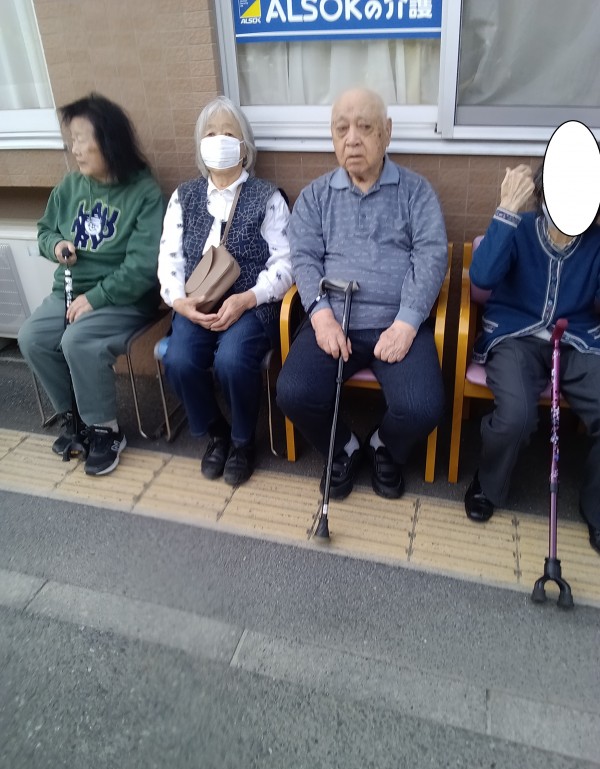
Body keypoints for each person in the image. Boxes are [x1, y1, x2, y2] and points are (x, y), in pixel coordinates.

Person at [276, 87, 447, 500]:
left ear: (386, 132)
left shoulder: (416, 192)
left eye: (364, 127)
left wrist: (406, 323)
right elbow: (304, 259)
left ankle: (384, 445)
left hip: (397, 323)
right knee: (293, 392)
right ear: (332, 137)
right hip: (335, 321)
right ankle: (344, 447)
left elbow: (431, 256)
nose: (351, 139)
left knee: (423, 406)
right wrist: (321, 317)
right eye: (341, 129)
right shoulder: (316, 196)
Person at [18, 93, 164, 476]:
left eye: (83, 139)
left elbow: (142, 268)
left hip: (124, 299)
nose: (75, 149)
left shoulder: (144, 193)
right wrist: (56, 245)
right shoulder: (70, 186)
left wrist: (97, 297)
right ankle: (76, 418)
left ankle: (105, 430)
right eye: (72, 139)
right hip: (69, 291)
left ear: (109, 142)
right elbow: (45, 231)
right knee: (32, 337)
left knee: (78, 339)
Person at [464, 163, 600, 556]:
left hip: (579, 340)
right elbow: (482, 278)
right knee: (517, 416)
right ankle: (489, 484)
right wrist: (506, 208)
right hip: (515, 337)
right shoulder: (520, 228)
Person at [157, 96, 292, 486]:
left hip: (252, 304)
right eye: (211, 134)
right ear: (200, 146)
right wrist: (179, 302)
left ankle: (243, 441)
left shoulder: (268, 197)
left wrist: (248, 298)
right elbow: (169, 258)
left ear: (244, 147)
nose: (219, 140)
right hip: (196, 302)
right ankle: (217, 433)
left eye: (229, 133)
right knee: (179, 359)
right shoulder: (184, 196)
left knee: (233, 361)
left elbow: (286, 263)